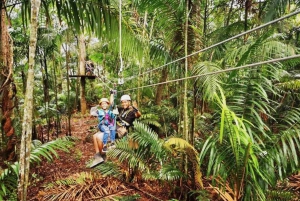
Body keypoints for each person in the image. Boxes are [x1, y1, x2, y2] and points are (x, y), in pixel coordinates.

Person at [90, 91, 141, 168]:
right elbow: (112, 103)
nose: (124, 104)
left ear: (129, 102)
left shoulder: (132, 111)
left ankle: (103, 155)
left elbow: (138, 115)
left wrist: (136, 109)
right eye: (123, 102)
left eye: (126, 102)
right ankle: (98, 156)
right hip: (114, 127)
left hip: (121, 131)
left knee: (99, 137)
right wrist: (112, 94)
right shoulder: (122, 109)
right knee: (94, 136)